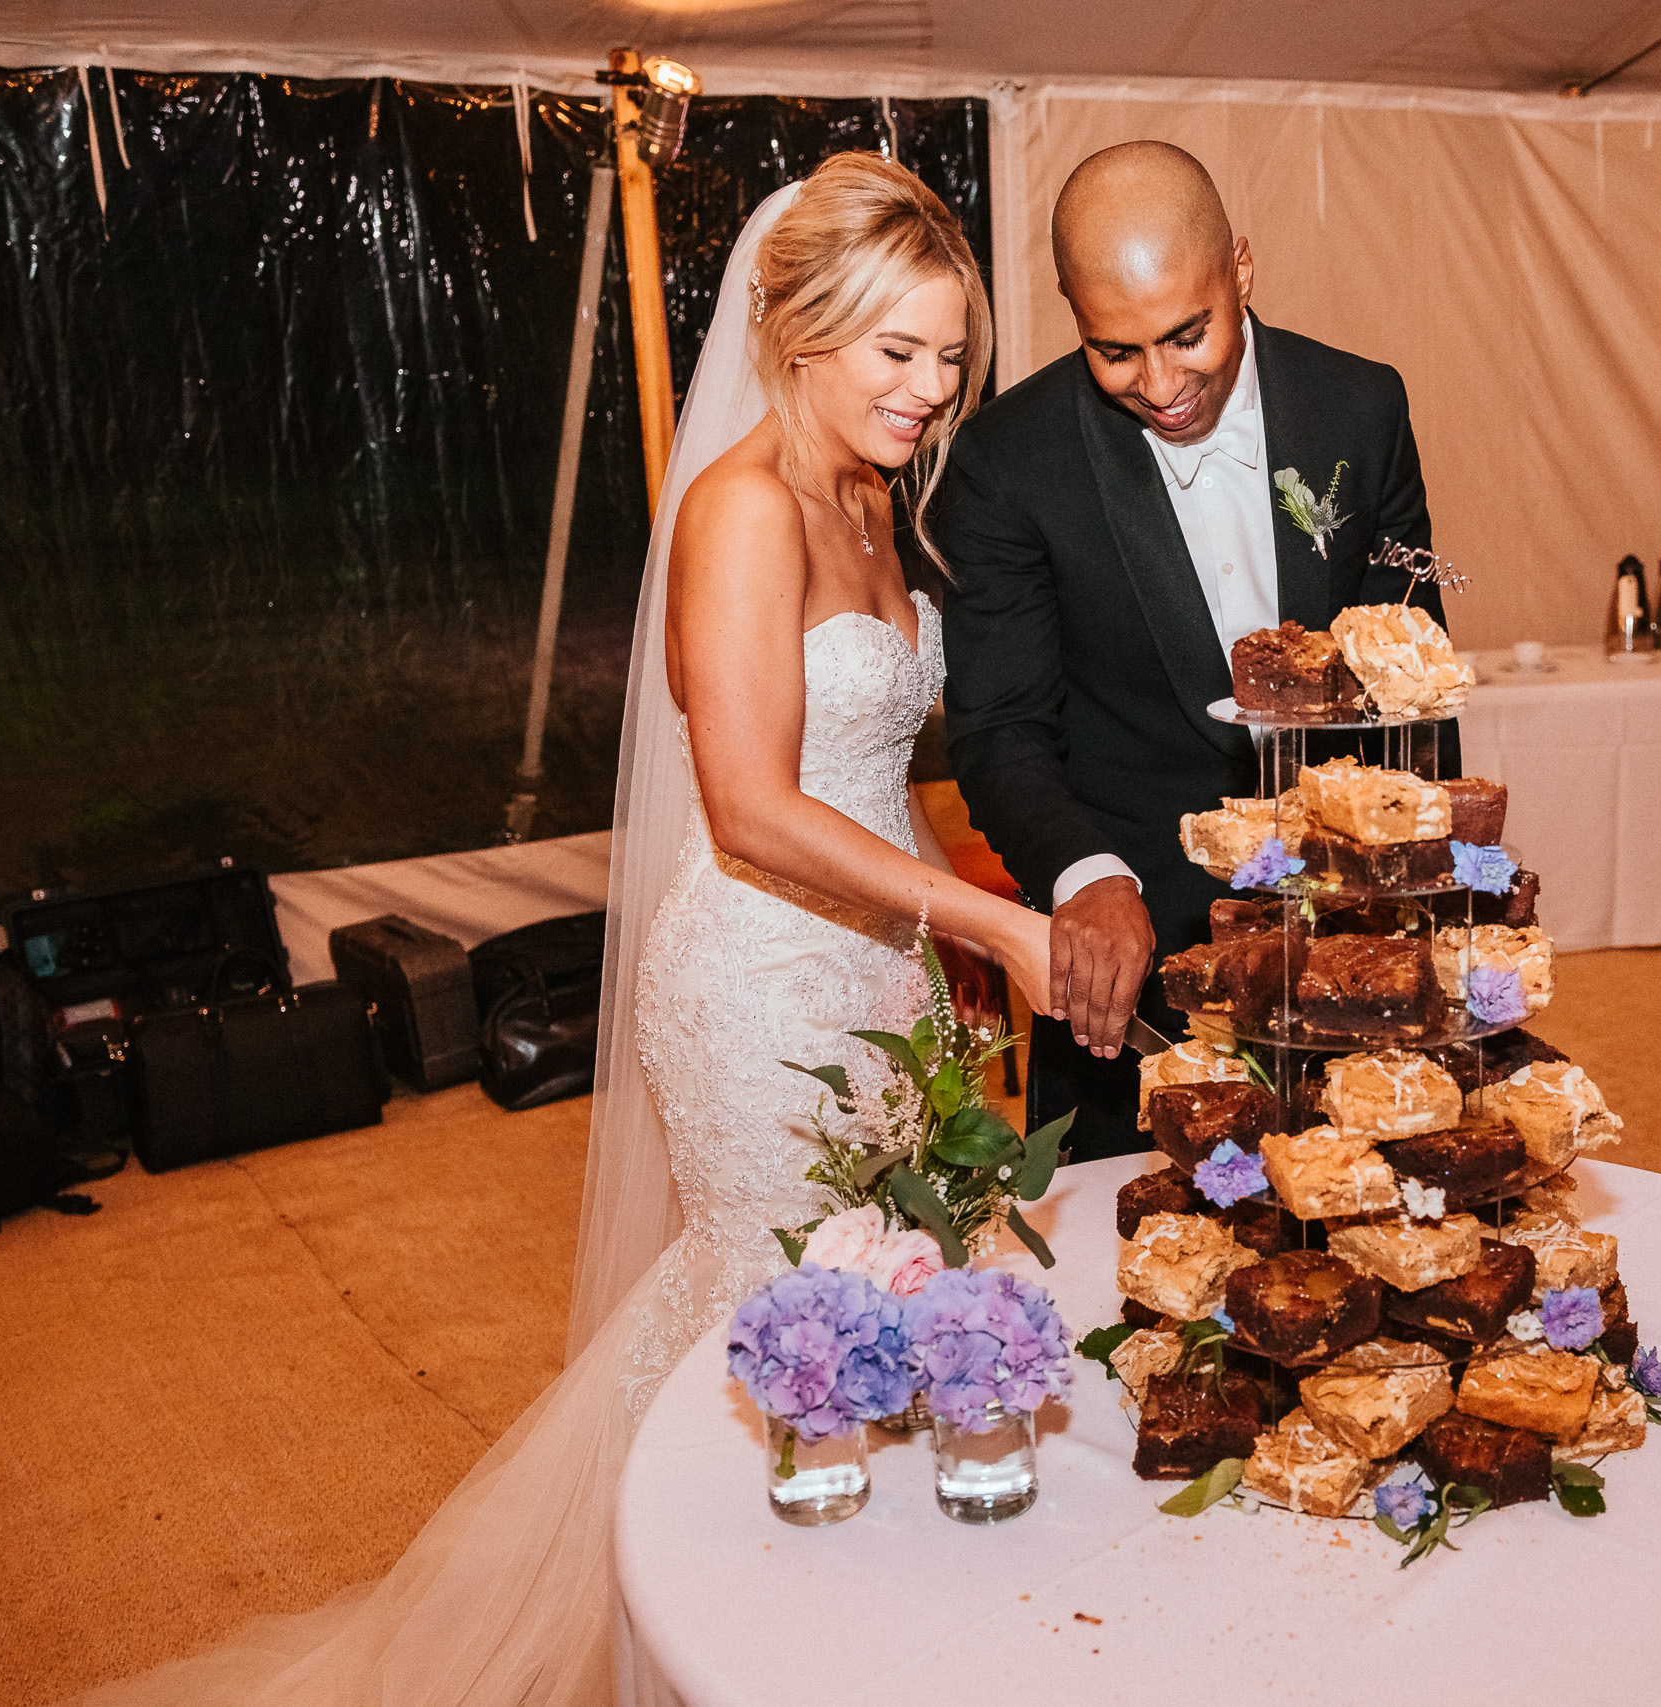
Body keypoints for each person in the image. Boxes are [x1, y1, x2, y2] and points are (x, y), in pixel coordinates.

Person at [65, 154, 1044, 1707]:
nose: (929, 391)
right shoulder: (740, 507)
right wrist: (988, 906)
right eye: (896, 354)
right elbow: (750, 803)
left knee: (897, 1282)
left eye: (947, 357)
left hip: (882, 970)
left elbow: (866, 780)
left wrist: (957, 946)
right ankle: (739, 1642)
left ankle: (862, 1634)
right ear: (800, 333)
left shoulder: (872, 489)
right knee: (792, 1306)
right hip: (759, 980)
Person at [936, 140, 1446, 1161]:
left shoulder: (1363, 405)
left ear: (1241, 270)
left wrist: (1418, 880)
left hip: (1342, 915)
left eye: (1186, 335)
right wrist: (1086, 880)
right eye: (1114, 350)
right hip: (1133, 946)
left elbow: (1412, 662)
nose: (1161, 384)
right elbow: (999, 729)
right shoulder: (1006, 461)